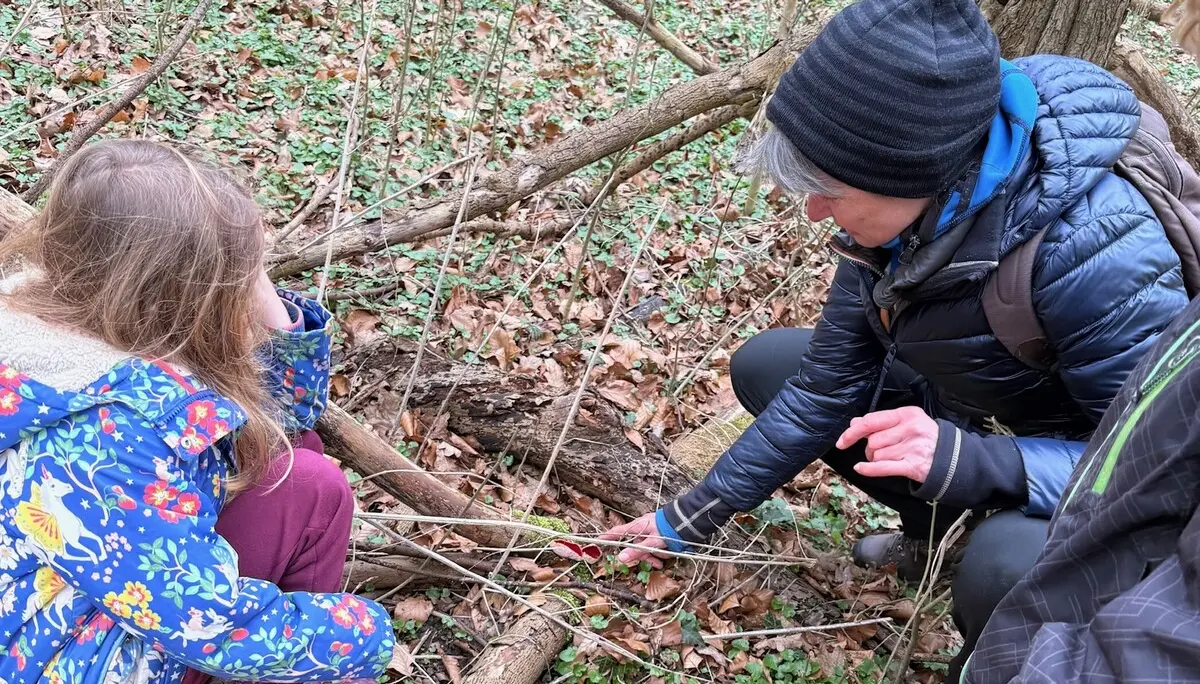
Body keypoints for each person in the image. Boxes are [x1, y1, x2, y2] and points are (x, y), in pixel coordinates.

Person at [601, 0, 1189, 678]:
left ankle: (993, 650)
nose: (814, 210)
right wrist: (691, 515)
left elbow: (1152, 471)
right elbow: (825, 386)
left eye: (831, 189)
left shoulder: (1097, 254)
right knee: (772, 366)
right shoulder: (896, 226)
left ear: (917, 175)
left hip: (1092, 472)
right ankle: (937, 535)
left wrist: (980, 462)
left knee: (1002, 566)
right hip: (982, 424)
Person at [0, 140, 393, 683]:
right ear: (184, 295)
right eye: (240, 277)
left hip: (79, 597)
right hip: (71, 660)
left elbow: (287, 417)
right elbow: (207, 626)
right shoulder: (102, 440)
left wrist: (253, 279)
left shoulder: (74, 321)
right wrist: (364, 634)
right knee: (302, 483)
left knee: (299, 469)